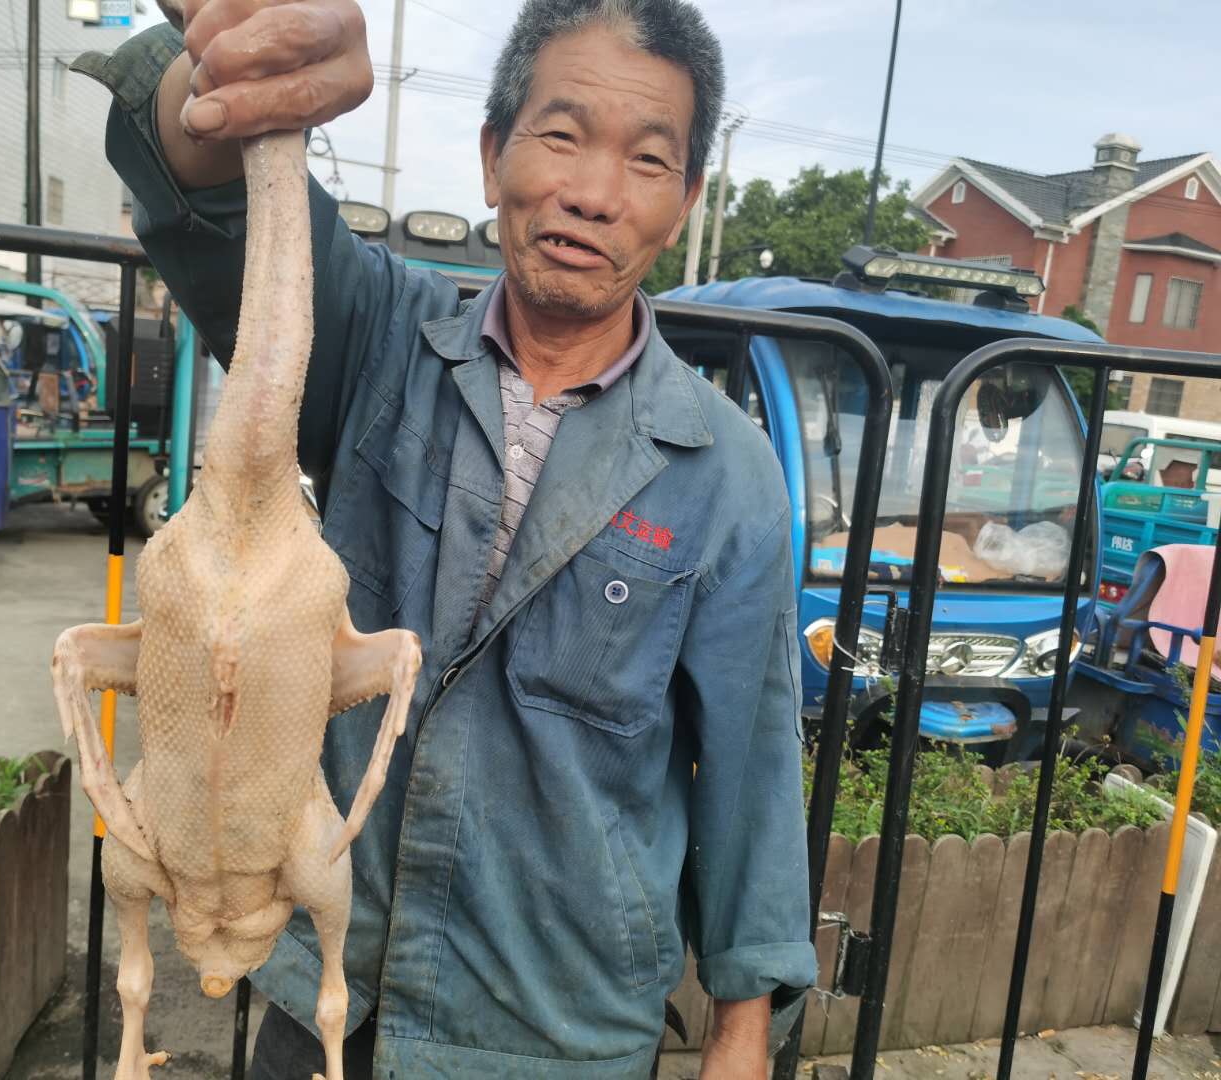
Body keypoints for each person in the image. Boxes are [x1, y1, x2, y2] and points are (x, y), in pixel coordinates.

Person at [76, 1, 814, 1075]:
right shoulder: (378, 339)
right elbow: (215, 207)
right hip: (333, 992)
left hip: (560, 1031)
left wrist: (742, 1033)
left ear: (685, 199)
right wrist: (236, 83)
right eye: (559, 135)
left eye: (647, 160)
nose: (593, 193)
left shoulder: (727, 472)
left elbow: (750, 768)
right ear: (490, 155)